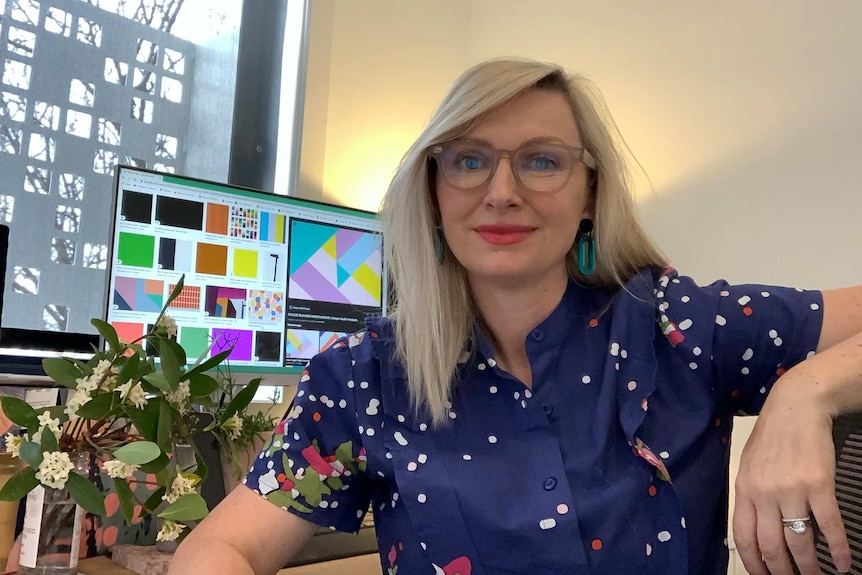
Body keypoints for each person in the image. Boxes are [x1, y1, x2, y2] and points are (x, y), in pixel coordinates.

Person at [169, 58, 862, 575]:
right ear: (434, 191)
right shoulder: (365, 380)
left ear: (589, 190)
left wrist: (808, 390)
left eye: (541, 161)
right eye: (469, 160)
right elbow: (222, 546)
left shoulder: (678, 327)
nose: (502, 192)